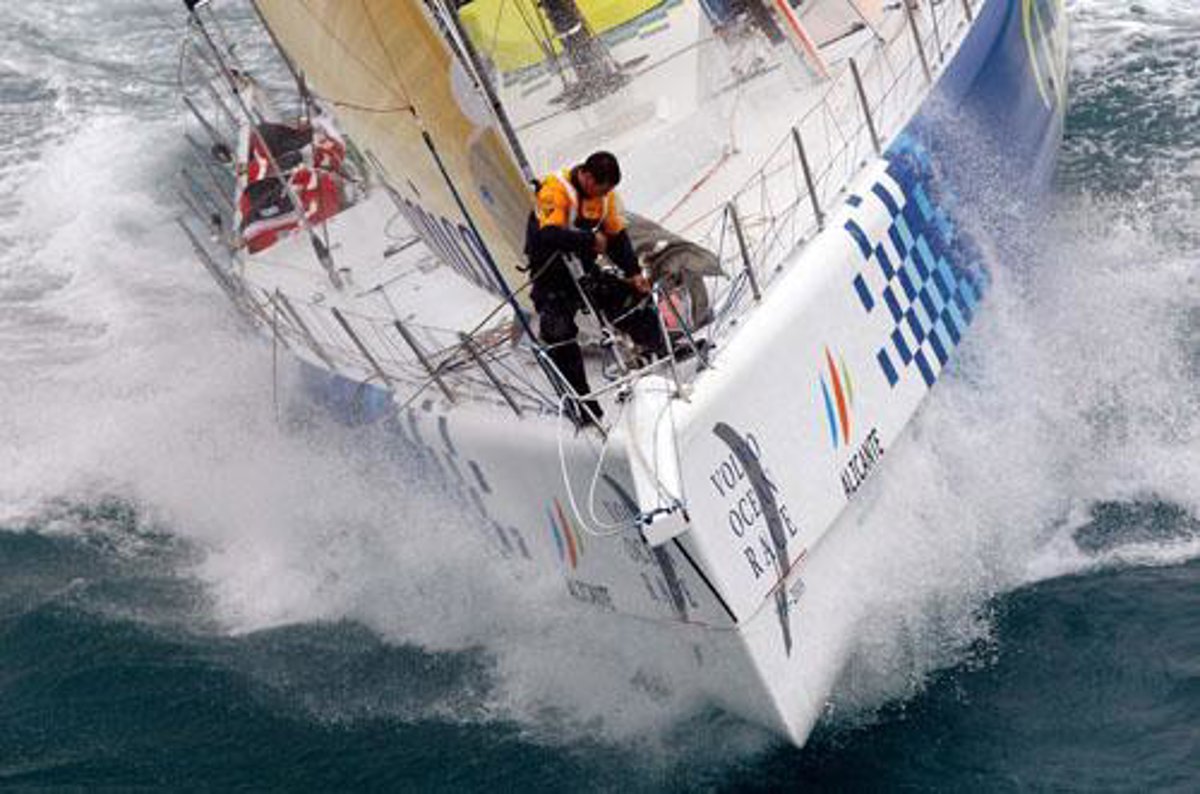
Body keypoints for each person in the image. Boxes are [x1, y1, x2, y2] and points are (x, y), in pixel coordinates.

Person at [525, 151, 665, 424]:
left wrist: (634, 273)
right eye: (601, 189)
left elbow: (616, 237)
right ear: (586, 176)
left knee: (631, 298)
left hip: (584, 269)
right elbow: (548, 234)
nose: (604, 196)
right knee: (558, 333)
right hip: (551, 275)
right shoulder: (554, 190)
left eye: (608, 191)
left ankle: (661, 348)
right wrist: (588, 241)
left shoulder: (605, 197)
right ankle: (583, 406)